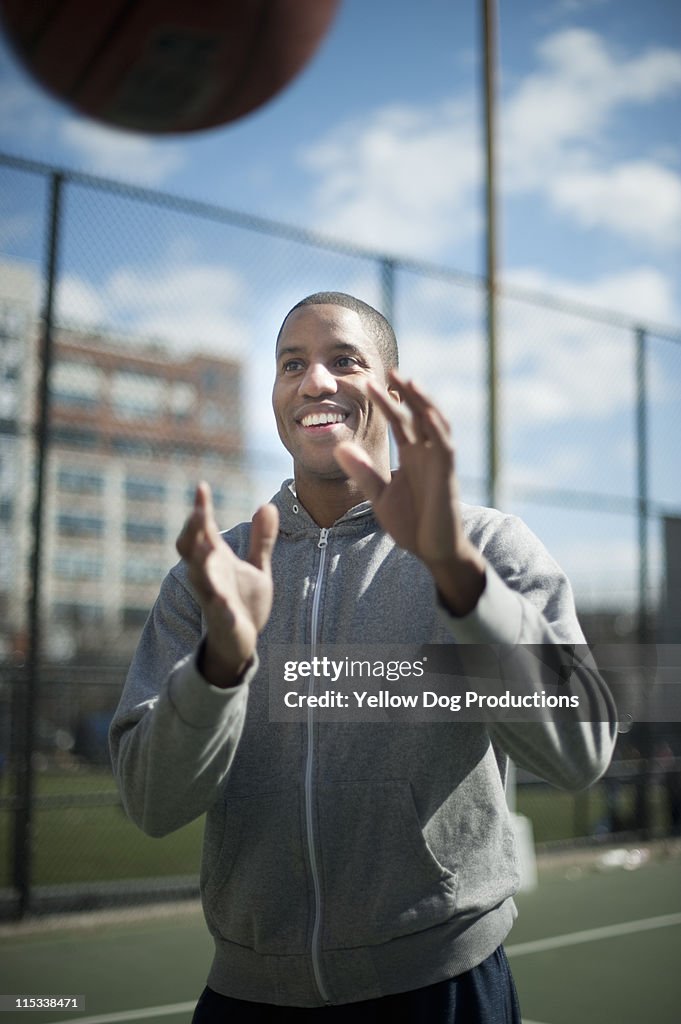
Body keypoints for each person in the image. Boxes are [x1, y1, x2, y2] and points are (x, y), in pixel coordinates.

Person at [110, 292, 617, 1023]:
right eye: (292, 364)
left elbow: (580, 750)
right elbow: (150, 802)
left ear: (392, 385)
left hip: (441, 988)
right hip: (249, 996)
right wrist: (219, 668)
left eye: (343, 360)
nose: (314, 381)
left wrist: (459, 580)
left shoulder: (487, 547)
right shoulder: (211, 574)